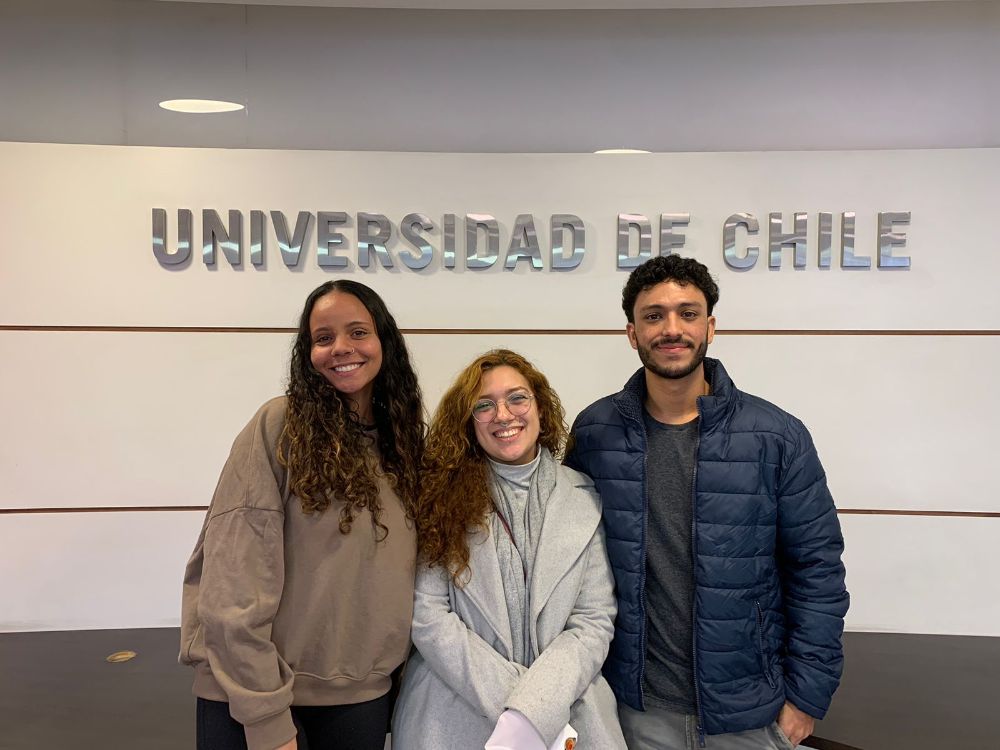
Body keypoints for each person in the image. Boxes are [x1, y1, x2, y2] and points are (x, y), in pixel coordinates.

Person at [566, 256, 849, 750]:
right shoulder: (595, 433)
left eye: (688, 313)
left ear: (710, 327)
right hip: (634, 711)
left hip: (751, 715)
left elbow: (817, 571)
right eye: (654, 315)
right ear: (632, 333)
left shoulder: (776, 436)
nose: (671, 329)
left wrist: (806, 697)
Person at [179, 280, 426, 750]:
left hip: (359, 699)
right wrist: (266, 717)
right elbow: (233, 580)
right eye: (323, 338)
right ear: (308, 353)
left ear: (384, 342)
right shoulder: (279, 427)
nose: (341, 348)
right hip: (255, 698)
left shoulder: (403, 445)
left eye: (358, 332)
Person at [392, 349, 627, 750]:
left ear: (540, 407)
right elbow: (428, 616)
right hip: (454, 711)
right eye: (484, 405)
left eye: (517, 398)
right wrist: (520, 712)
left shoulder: (585, 496)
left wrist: (538, 707)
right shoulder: (437, 497)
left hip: (569, 710)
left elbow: (594, 619)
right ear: (469, 422)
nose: (503, 415)